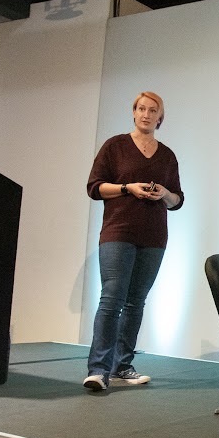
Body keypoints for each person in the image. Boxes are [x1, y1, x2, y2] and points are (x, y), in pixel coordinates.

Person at [83, 90, 184, 391]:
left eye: (153, 110)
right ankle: (98, 369)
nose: (146, 114)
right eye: (141, 108)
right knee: (112, 298)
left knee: (136, 302)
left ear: (160, 117)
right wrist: (128, 188)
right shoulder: (115, 146)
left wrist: (163, 193)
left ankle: (121, 366)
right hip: (118, 231)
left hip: (153, 236)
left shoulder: (167, 155)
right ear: (133, 112)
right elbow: (94, 187)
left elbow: (177, 200)